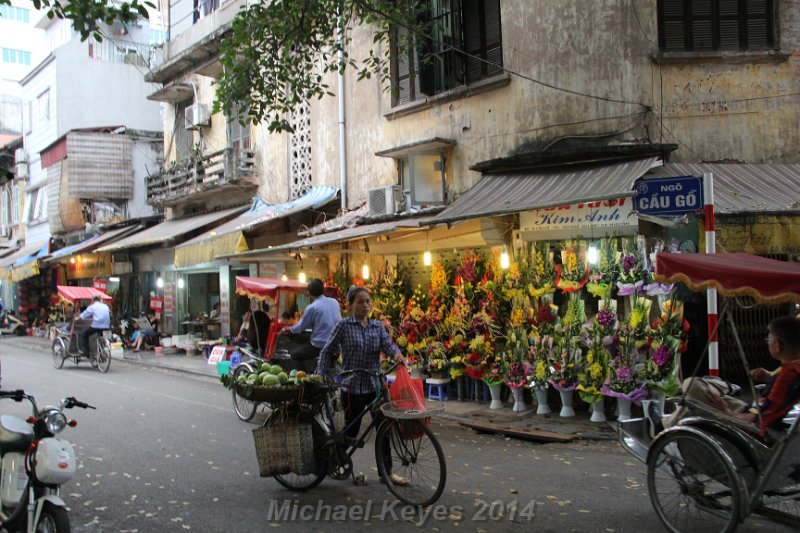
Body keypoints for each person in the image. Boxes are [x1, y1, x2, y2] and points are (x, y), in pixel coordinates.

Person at [314, 286, 407, 486]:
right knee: (352, 432)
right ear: (350, 306)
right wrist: (319, 374)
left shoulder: (377, 326)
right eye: (360, 302)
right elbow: (327, 351)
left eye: (367, 301)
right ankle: (335, 461)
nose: (365, 305)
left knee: (384, 429)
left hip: (374, 386)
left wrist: (397, 354)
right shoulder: (344, 326)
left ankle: (386, 473)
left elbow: (388, 346)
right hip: (352, 387)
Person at [684, 316, 800, 436]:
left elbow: (757, 420)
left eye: (769, 340)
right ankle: (726, 387)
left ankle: (668, 429)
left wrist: (726, 412)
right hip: (749, 409)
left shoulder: (786, 376)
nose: (768, 343)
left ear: (777, 345)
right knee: (693, 392)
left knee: (690, 387)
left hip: (743, 422)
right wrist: (768, 377)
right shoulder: (793, 370)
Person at [284, 278, 341, 372]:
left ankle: (303, 380)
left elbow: (300, 327)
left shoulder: (312, 307)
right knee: (308, 338)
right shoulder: (334, 302)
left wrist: (289, 329)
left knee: (295, 355)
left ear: (309, 292)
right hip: (336, 345)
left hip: (320, 346)